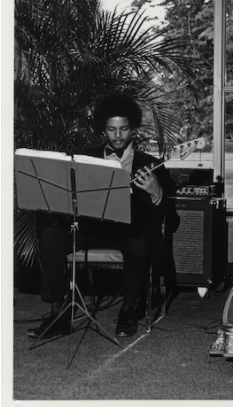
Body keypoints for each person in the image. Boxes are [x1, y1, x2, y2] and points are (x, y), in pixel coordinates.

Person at [28, 94, 169, 339]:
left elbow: (171, 218)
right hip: (91, 230)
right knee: (51, 236)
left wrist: (157, 192)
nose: (117, 135)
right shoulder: (87, 158)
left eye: (123, 129)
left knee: (139, 245)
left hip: (128, 232)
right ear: (104, 129)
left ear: (132, 129)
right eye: (111, 129)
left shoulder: (151, 164)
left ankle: (127, 312)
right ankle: (57, 314)